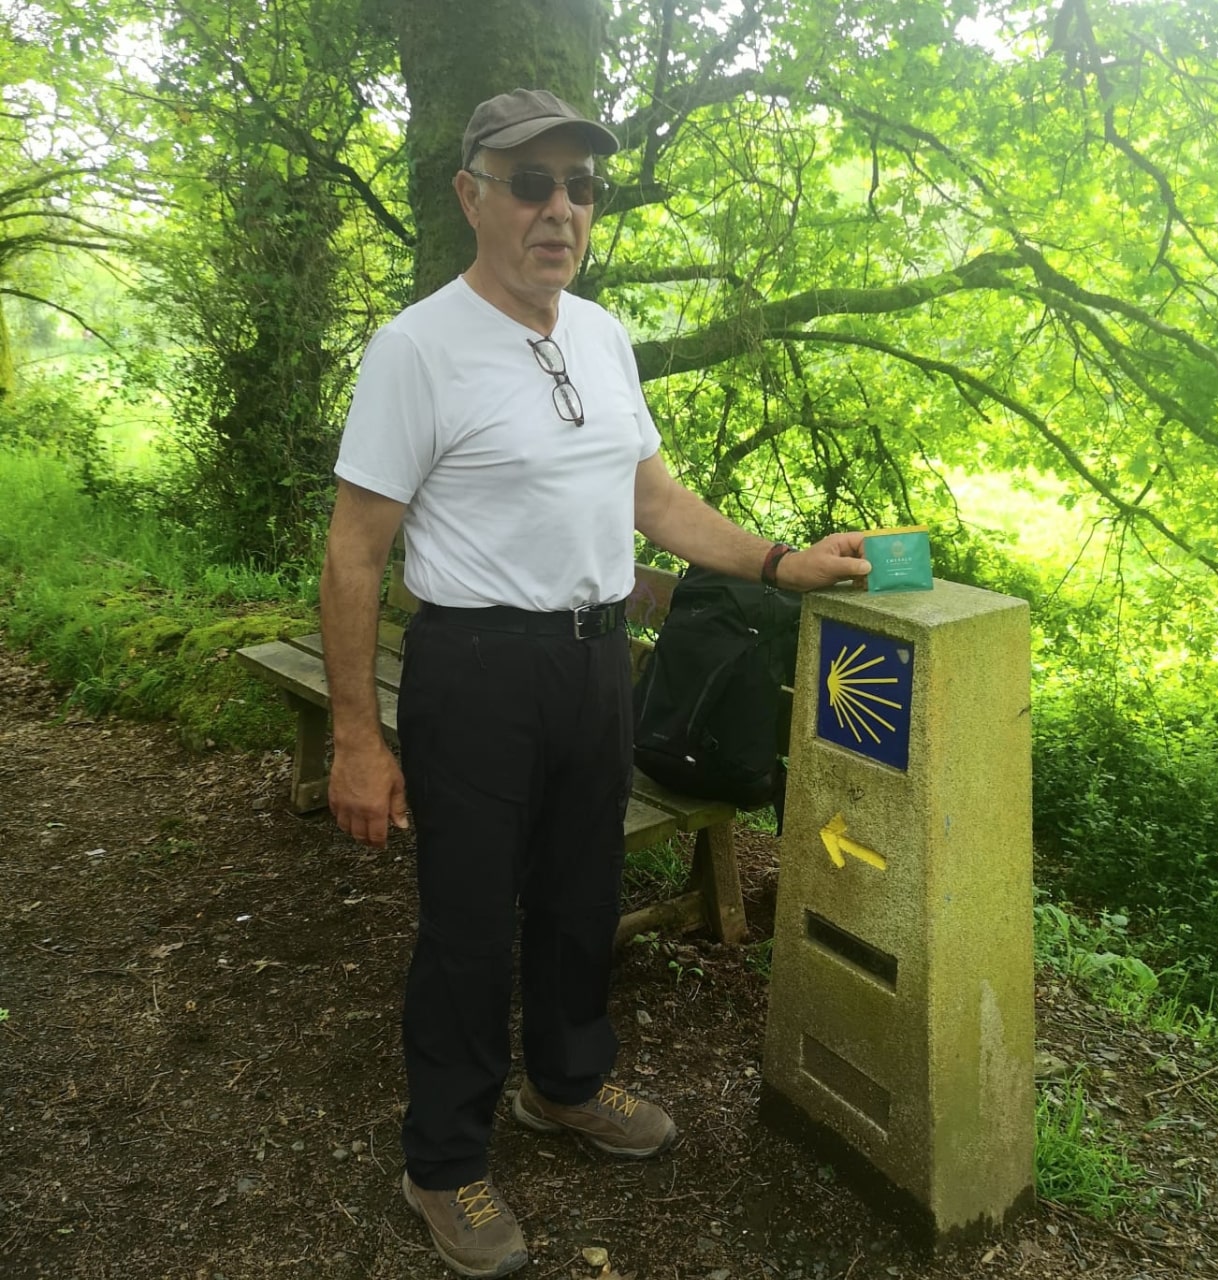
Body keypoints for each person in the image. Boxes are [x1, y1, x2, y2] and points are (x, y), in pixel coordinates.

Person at [320, 87, 872, 1279]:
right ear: (472, 195)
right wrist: (357, 738)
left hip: (592, 663)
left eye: (579, 187)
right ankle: (444, 1159)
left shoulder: (603, 334)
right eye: (531, 184)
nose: (558, 209)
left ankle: (564, 1085)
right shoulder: (416, 347)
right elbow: (355, 550)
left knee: (579, 897)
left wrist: (782, 562)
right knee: (467, 924)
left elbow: (653, 501)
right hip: (476, 668)